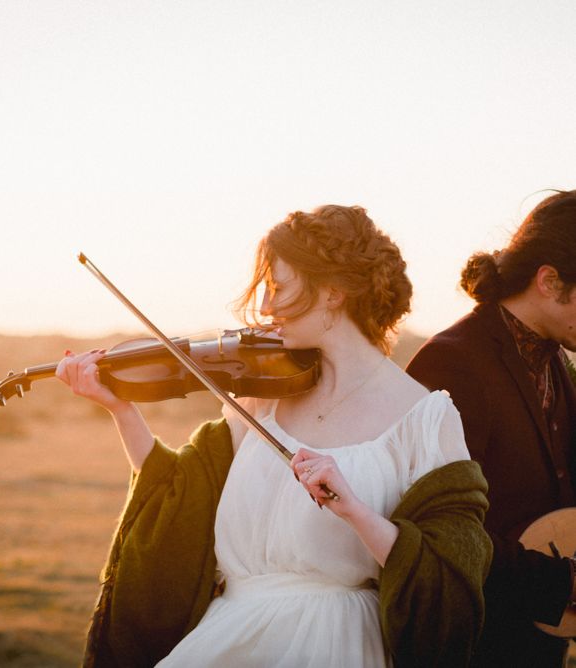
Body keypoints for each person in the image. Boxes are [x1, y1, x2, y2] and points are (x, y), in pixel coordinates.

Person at [58, 204, 492, 667]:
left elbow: (451, 581)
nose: (264, 307)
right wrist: (120, 409)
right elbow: (178, 499)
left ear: (333, 292)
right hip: (229, 638)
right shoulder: (260, 400)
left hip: (338, 646)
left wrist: (357, 512)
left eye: (278, 287)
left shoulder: (425, 419)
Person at [406, 189, 576, 667]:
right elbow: (441, 530)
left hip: (539, 641)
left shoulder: (554, 357)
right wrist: (562, 583)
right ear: (549, 281)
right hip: (478, 643)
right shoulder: (452, 361)